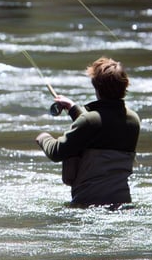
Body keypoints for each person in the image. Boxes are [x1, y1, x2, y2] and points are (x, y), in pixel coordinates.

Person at [35, 57, 140, 207]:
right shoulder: (133, 120)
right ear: (125, 86)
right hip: (122, 203)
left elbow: (57, 152)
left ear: (96, 87)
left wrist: (43, 138)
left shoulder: (89, 121)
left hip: (88, 204)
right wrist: (73, 108)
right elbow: (101, 130)